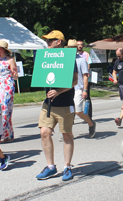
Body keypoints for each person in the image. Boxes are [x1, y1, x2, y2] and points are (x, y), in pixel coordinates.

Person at [36, 30, 78, 181]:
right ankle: (50, 167)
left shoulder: (68, 58)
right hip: (48, 105)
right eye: (46, 41)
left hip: (65, 104)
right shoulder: (44, 57)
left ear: (58, 42)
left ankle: (67, 166)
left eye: (49, 41)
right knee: (44, 133)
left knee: (66, 135)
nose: (47, 43)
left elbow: (74, 81)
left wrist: (59, 91)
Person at [0, 40, 18, 143]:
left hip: (7, 85)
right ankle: (8, 134)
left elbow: (15, 77)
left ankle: (1, 134)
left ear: (4, 50)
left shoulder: (10, 60)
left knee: (5, 109)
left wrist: (14, 74)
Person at [68, 39, 96, 138]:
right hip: (67, 89)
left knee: (78, 111)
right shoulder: (66, 60)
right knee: (68, 112)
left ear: (76, 48)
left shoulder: (81, 60)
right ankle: (67, 133)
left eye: (72, 48)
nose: (71, 50)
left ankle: (91, 123)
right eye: (69, 48)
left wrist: (85, 89)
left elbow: (85, 76)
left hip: (78, 88)